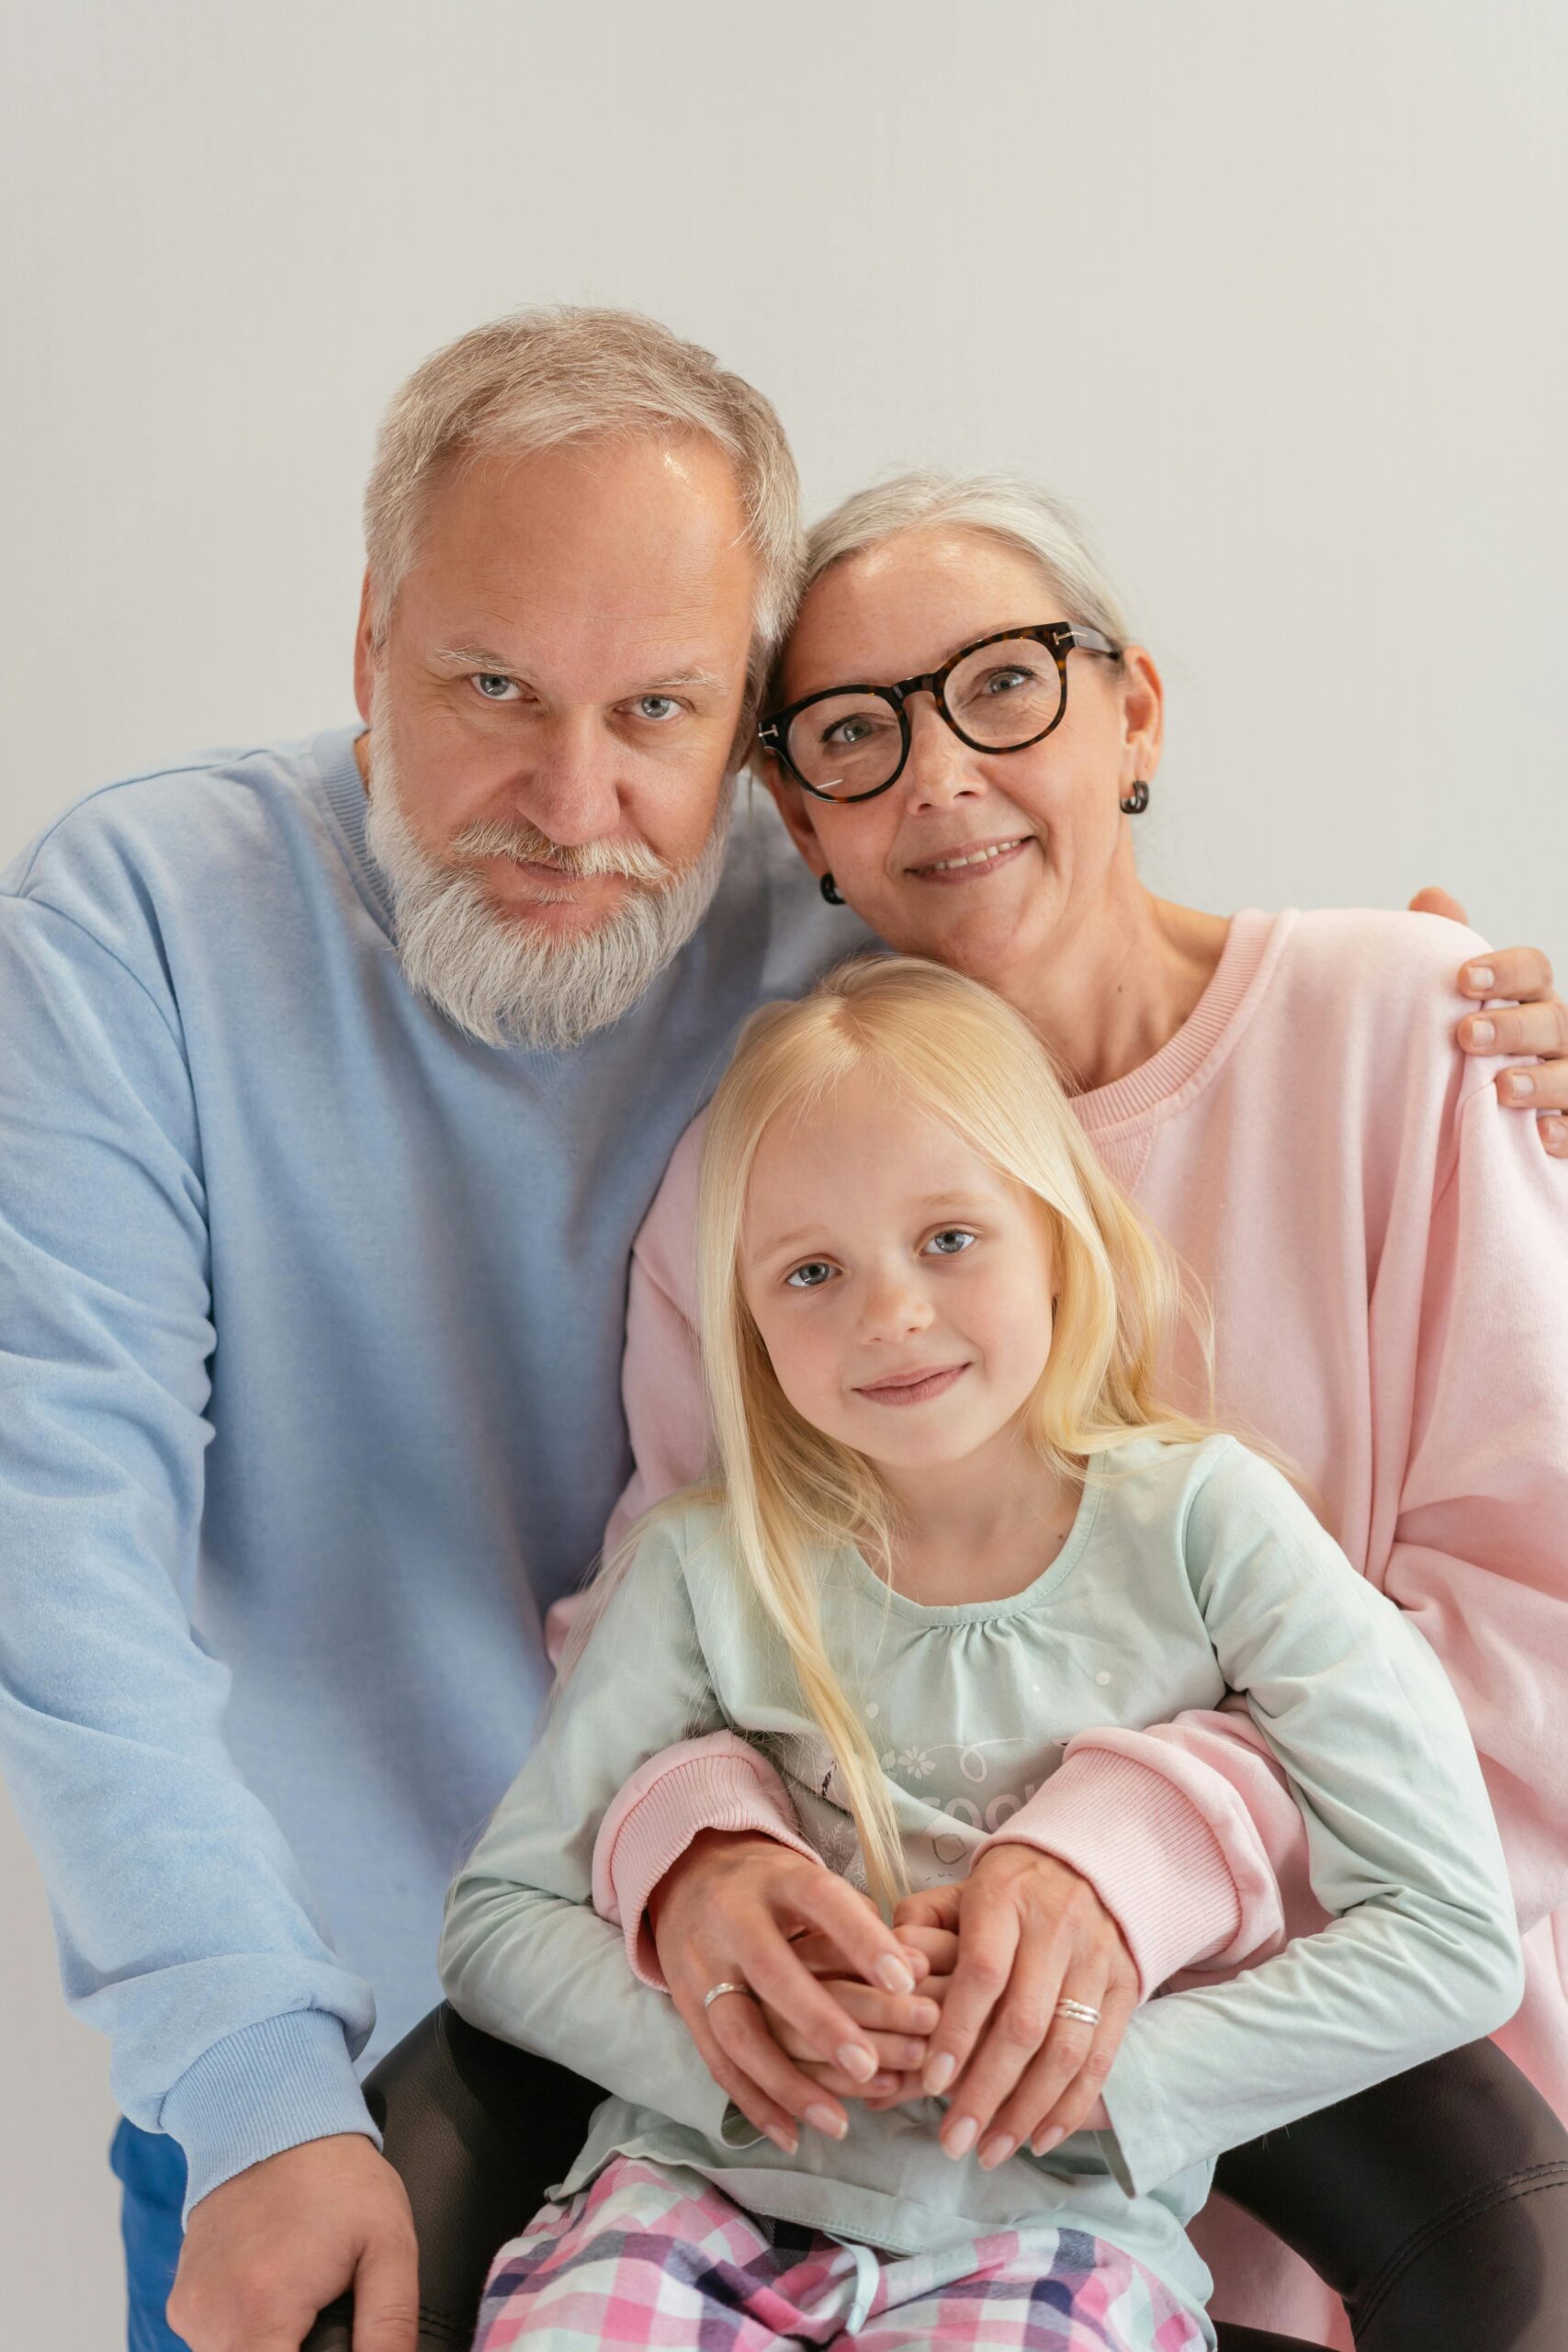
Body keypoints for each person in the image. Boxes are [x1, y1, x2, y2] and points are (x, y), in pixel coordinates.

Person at [0, 319, 1558, 2352]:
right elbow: (70, 1546)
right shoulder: (153, 922)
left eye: (656, 706)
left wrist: (1466, 1026)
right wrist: (262, 2066)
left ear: (735, 727)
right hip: (372, 2085)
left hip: (1039, 2113)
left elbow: (1119, 1057)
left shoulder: (873, 966)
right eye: (489, 686)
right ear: (368, 635)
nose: (575, 800)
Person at [581, 472, 1568, 2348]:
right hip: (904, 2179)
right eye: (855, 735)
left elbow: (1538, 1649)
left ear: (1136, 712)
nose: (937, 771)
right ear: (798, 819)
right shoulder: (747, 1180)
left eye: (1004, 686)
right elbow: (670, 1628)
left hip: (1399, 2168)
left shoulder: (1411, 1030)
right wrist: (707, 1849)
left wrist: (1124, 1851)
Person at [440, 954, 1522, 2352]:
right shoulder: (705, 1570)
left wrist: (1109, 2072)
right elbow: (497, 1923)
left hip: (1055, 2237)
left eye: (950, 1239)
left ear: (1061, 1240)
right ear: (751, 1328)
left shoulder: (1211, 1525)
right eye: (812, 1272)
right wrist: (726, 2047)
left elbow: (1449, 1936)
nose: (888, 1314)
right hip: (684, 2204)